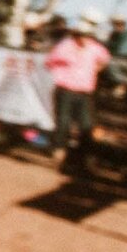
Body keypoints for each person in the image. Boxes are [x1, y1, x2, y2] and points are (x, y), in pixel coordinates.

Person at [45, 17, 112, 169]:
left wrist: (96, 69)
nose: (84, 38)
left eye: (87, 35)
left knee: (86, 124)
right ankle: (59, 152)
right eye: (81, 35)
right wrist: (61, 73)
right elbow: (49, 62)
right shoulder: (65, 46)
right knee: (63, 121)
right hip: (66, 89)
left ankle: (84, 157)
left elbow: (106, 58)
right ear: (75, 35)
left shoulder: (94, 48)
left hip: (84, 92)